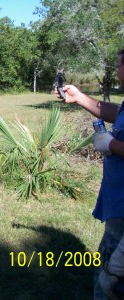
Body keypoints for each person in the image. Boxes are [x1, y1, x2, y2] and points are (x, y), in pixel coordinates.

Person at [55, 47, 124, 299]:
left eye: (118, 66)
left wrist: (110, 144)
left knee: (110, 281)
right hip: (118, 205)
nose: (116, 72)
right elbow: (118, 113)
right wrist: (80, 97)